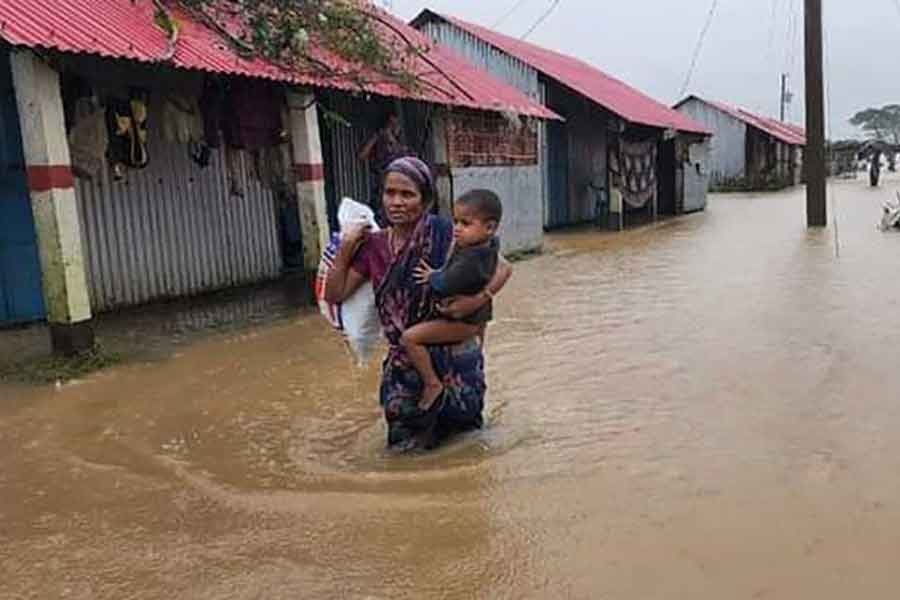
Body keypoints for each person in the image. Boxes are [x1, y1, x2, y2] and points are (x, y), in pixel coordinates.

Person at [324, 157, 512, 452]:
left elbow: (501, 268)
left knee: (467, 454)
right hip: (405, 367)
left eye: (407, 194)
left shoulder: (448, 233)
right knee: (402, 451)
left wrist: (476, 300)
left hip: (456, 360)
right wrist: (347, 247)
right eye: (390, 193)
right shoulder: (373, 246)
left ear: (425, 200)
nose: (396, 202)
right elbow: (335, 294)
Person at [401, 190, 503, 413]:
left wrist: (432, 276)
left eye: (465, 223)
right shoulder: (488, 245)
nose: (456, 228)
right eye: (455, 221)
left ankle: (432, 383)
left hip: (464, 322)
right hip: (475, 320)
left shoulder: (471, 258)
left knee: (409, 339)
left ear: (489, 228)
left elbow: (446, 283)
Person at [359, 111, 404, 223]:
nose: (396, 127)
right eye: (392, 124)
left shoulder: (396, 143)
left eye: (396, 124)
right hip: (382, 183)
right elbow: (362, 155)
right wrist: (377, 136)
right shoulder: (379, 139)